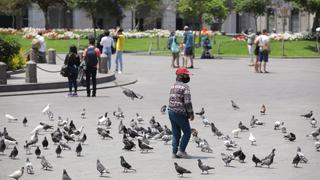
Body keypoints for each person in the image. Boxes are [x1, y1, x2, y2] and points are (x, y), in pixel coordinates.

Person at [168, 67, 194, 159]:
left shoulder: (173, 86)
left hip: (170, 111)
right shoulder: (185, 87)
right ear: (181, 76)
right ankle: (181, 151)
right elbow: (187, 102)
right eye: (186, 75)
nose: (187, 77)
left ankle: (174, 153)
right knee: (187, 132)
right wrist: (191, 113)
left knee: (176, 133)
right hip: (180, 112)